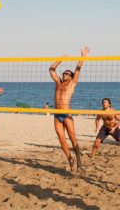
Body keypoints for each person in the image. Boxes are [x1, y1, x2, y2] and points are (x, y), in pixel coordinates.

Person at [49, 46, 89, 174]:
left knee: (73, 139)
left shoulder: (72, 83)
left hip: (66, 114)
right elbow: (51, 69)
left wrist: (82, 56)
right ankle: (70, 159)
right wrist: (61, 59)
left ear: (71, 77)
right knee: (61, 138)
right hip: (57, 114)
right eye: (64, 73)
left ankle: (79, 162)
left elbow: (78, 69)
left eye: (67, 73)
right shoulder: (58, 83)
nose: (64, 74)